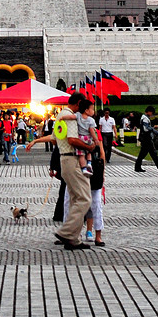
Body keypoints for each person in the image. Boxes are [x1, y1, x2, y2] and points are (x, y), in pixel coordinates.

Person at [49, 92, 94, 250]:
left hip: (64, 159)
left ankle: (73, 239)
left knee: (76, 198)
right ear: (79, 102)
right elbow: (72, 140)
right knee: (85, 198)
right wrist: (89, 147)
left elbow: (54, 138)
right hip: (72, 159)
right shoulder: (72, 117)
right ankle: (67, 232)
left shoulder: (60, 115)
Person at [134, 107, 158, 173]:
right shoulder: (145, 118)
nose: (152, 114)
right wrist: (156, 131)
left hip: (145, 138)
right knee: (152, 153)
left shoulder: (144, 117)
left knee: (144, 154)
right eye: (152, 112)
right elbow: (146, 128)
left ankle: (137, 167)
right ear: (149, 111)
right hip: (146, 138)